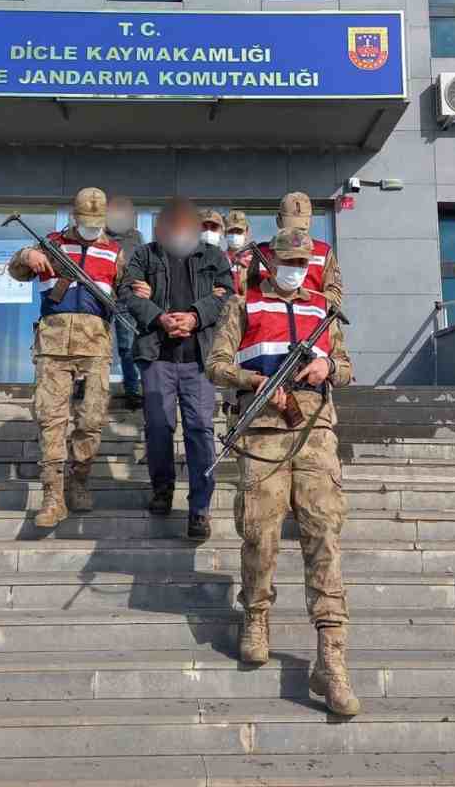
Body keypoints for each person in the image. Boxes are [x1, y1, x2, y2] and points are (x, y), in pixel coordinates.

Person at [206, 226, 360, 717]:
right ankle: (255, 616)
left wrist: (326, 370)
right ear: (271, 262)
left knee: (324, 535)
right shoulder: (243, 304)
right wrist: (254, 380)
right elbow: (216, 365)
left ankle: (331, 660)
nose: (295, 269)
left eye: (302, 262)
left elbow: (347, 366)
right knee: (259, 532)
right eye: (287, 261)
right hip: (261, 430)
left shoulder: (322, 307)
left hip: (316, 431)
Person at [7, 188, 124, 529]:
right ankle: (52, 497)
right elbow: (16, 272)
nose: (91, 227)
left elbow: (129, 293)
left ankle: (80, 479)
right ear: (74, 217)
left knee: (91, 420)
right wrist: (26, 255)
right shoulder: (49, 243)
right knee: (52, 420)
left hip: (96, 347)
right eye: (85, 221)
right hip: (53, 346)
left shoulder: (115, 253)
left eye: (97, 222)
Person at [119, 197, 235, 540]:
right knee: (158, 426)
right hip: (157, 357)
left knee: (200, 431)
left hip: (198, 360)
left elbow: (226, 295)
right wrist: (160, 317)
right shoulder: (144, 255)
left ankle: (200, 508)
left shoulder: (213, 257)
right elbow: (128, 292)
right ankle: (162, 488)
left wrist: (196, 316)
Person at [248, 191, 343, 307]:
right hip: (269, 319)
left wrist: (307, 302)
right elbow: (248, 291)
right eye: (290, 228)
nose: (296, 235)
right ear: (278, 220)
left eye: (301, 229)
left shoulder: (324, 252)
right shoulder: (261, 251)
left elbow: (335, 294)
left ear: (310, 222)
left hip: (311, 321)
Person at [105, 196, 145, 411]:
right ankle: (85, 385)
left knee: (127, 346)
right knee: (97, 344)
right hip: (100, 296)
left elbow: (143, 266)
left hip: (126, 299)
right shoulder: (99, 235)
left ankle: (132, 389)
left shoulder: (136, 237)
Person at [225, 210, 255, 294]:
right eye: (231, 231)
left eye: (239, 231)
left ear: (247, 232)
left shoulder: (257, 261)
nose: (235, 235)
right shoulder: (217, 260)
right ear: (225, 233)